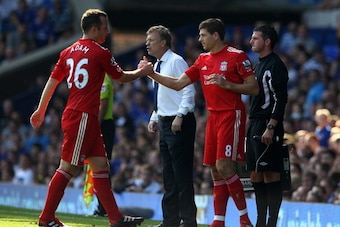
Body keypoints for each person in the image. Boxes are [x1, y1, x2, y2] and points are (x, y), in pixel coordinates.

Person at [29, 8, 153, 227]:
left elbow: (52, 81)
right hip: (83, 116)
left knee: (101, 166)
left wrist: (41, 109)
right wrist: (142, 71)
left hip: (79, 115)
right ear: (94, 29)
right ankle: (46, 218)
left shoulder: (67, 52)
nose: (107, 30)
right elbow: (121, 77)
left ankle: (116, 219)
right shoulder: (100, 52)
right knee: (67, 168)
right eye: (105, 27)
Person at [141, 18, 258, 227]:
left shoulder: (236, 56)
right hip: (212, 117)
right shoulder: (202, 59)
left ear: (215, 35)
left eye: (203, 35)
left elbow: (253, 88)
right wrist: (152, 74)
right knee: (214, 168)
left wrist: (228, 84)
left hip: (231, 114)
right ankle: (218, 220)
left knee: (224, 165)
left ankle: (244, 219)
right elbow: (178, 84)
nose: (199, 39)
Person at [145, 25, 197, 227]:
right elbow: (161, 96)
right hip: (165, 122)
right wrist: (154, 118)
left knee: (181, 174)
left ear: (163, 42)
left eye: (151, 39)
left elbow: (188, 90)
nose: (147, 43)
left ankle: (188, 220)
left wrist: (180, 116)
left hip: (178, 123)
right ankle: (170, 220)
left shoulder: (176, 61)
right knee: (168, 174)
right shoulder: (157, 65)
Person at [246, 24, 288, 227]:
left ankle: (271, 223)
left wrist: (271, 126)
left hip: (267, 123)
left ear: (267, 41)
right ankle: (260, 221)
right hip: (254, 122)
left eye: (255, 38)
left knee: (271, 172)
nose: (251, 41)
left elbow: (281, 98)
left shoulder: (275, 65)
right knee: (255, 173)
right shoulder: (258, 64)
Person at [92, 73, 115, 217]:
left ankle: (104, 208)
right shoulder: (97, 77)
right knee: (97, 167)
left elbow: (103, 104)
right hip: (99, 124)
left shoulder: (103, 78)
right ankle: (102, 206)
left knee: (102, 167)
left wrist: (95, 127)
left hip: (103, 125)